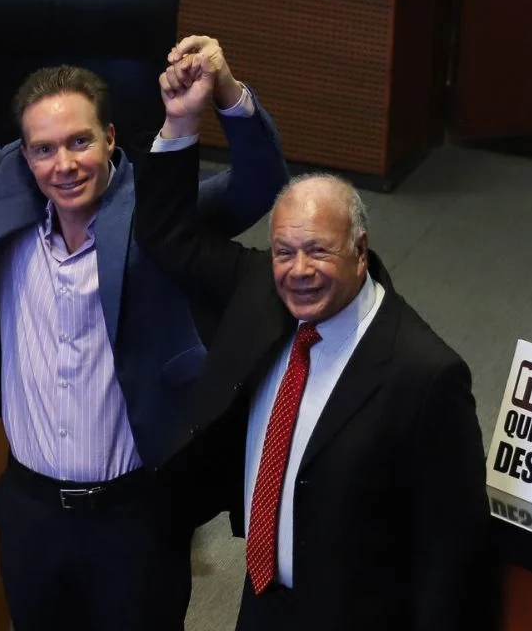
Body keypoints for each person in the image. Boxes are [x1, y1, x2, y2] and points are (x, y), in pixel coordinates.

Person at [0, 0, 288, 625]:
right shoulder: (8, 198)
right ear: (24, 156)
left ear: (110, 137)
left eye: (79, 142)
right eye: (43, 149)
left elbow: (261, 182)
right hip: (30, 513)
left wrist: (227, 91)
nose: (64, 165)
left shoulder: (159, 217)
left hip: (133, 518)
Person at [134, 56, 494, 630]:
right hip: (260, 602)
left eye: (319, 251)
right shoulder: (260, 291)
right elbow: (167, 235)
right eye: (284, 252)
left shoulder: (426, 376)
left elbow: (451, 557)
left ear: (360, 250)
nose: (298, 271)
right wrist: (182, 121)